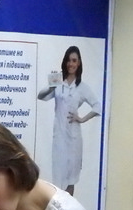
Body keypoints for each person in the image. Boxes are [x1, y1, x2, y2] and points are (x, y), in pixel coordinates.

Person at [37, 45, 101, 196]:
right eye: (68, 60)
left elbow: (97, 106)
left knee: (71, 177)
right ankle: (58, 206)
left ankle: (69, 207)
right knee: (59, 175)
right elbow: (41, 96)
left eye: (74, 60)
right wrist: (52, 86)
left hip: (74, 138)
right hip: (59, 136)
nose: (71, 64)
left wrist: (82, 119)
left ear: (79, 63)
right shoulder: (59, 83)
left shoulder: (82, 87)